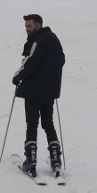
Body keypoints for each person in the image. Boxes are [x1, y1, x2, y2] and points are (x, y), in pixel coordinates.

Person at [12, 14, 66, 177]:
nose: (27, 30)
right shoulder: (54, 39)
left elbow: (30, 62)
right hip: (49, 91)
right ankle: (56, 159)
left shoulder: (38, 40)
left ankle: (30, 161)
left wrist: (17, 77)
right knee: (48, 123)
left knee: (32, 124)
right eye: (26, 26)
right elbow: (61, 60)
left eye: (29, 26)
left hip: (34, 91)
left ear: (38, 25)